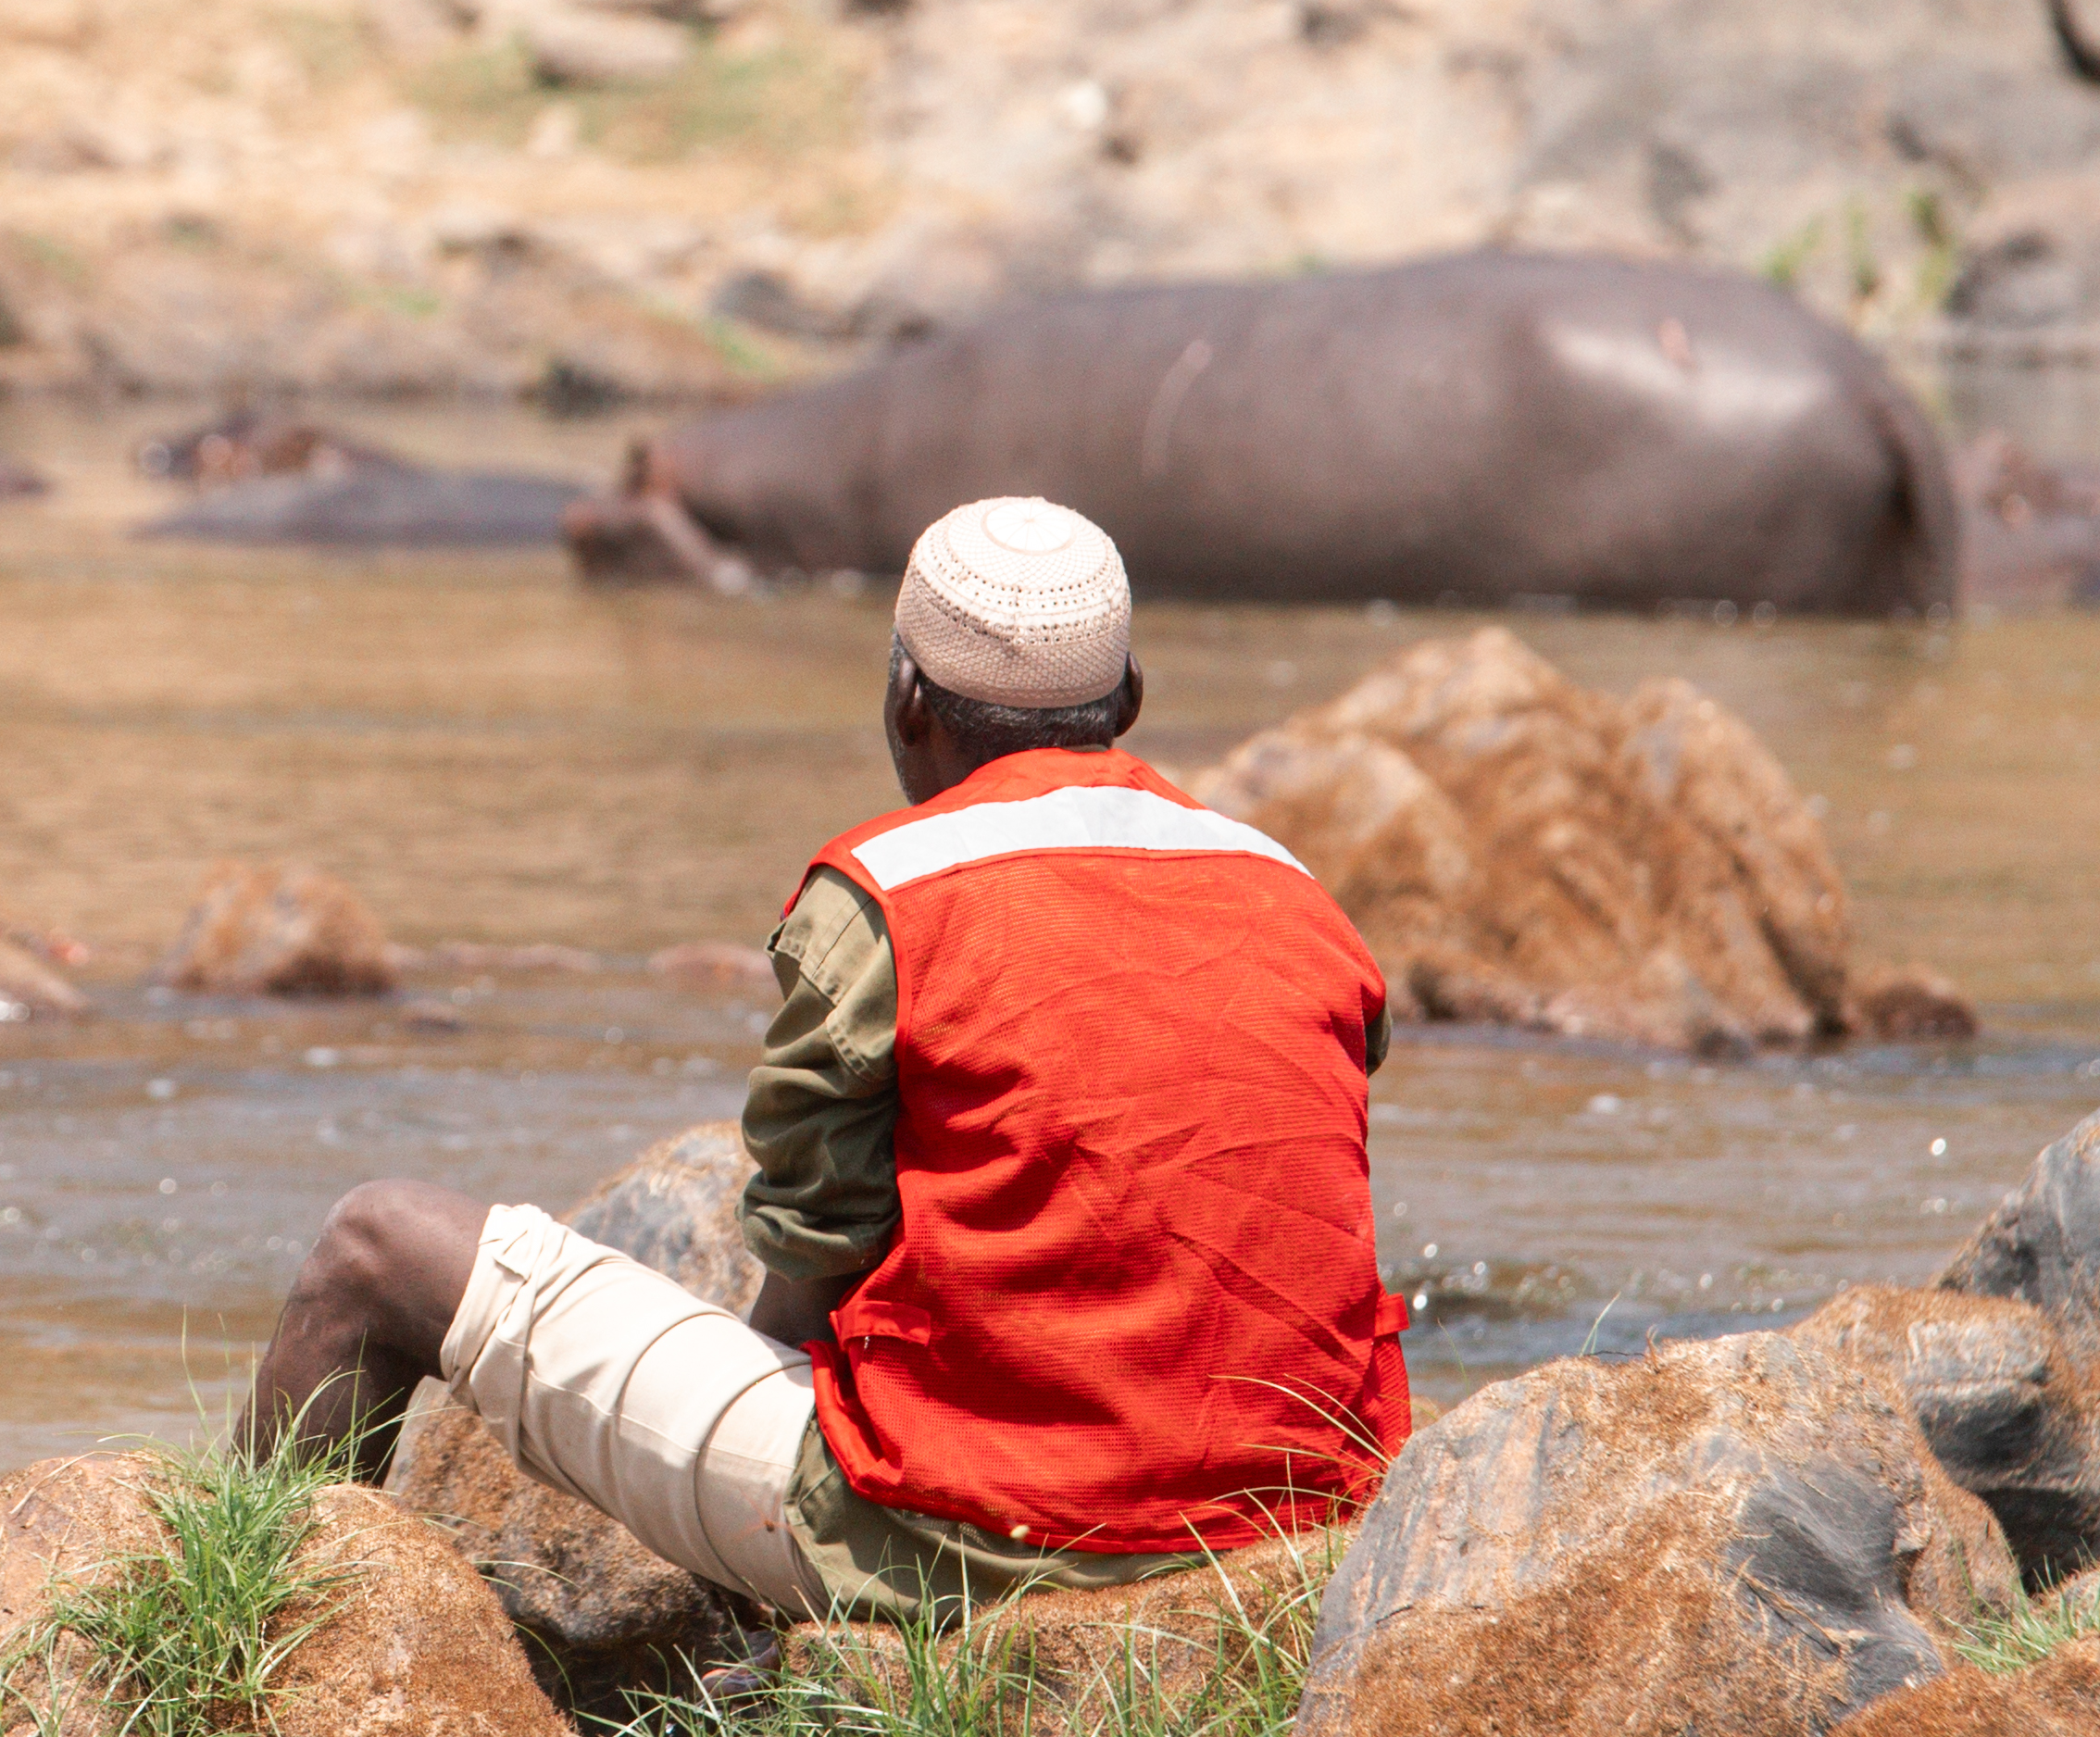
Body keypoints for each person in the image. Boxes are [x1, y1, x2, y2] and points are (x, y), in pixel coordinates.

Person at [235, 494, 1407, 1620]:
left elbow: (808, 1266)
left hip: (975, 1532)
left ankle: (220, 1625)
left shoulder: (890, 892)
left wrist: (730, 1490)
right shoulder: (1297, 897)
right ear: (1132, 697)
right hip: (1296, 1509)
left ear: (908, 700)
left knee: (375, 1244)